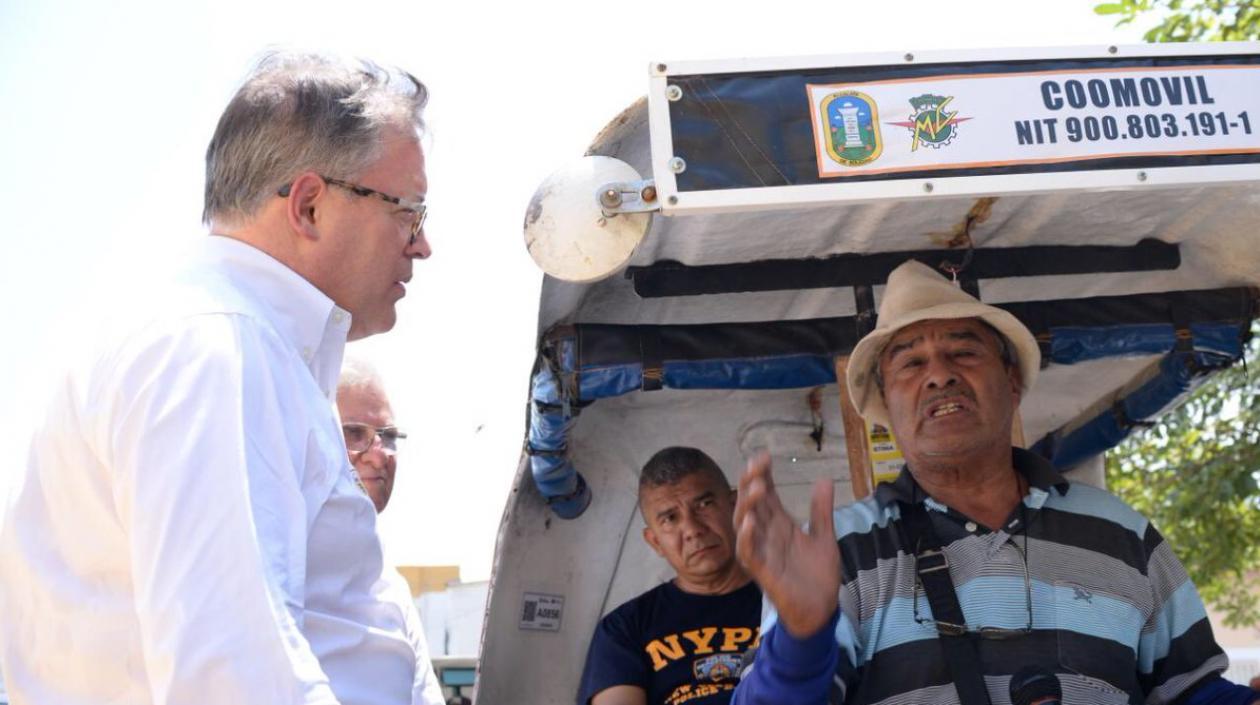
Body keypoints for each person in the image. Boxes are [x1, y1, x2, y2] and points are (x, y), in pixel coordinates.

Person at [0, 52, 433, 705]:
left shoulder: (216, 341)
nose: (422, 244)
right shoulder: (217, 351)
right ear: (311, 204)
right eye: (408, 210)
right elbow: (235, 676)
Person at [732, 260, 1260, 705]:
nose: (939, 375)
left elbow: (1194, 693)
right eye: (910, 364)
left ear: (1011, 381)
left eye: (963, 352)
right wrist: (801, 637)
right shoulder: (840, 551)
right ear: (886, 408)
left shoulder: (1122, 531)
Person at [577, 447, 763, 705]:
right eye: (670, 519)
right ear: (655, 542)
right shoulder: (625, 628)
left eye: (704, 504)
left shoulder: (792, 602)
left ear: (735, 507)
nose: (692, 529)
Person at [335, 357, 445, 705]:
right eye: (355, 434)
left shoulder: (391, 588)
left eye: (389, 437)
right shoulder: (261, 562)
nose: (379, 455)